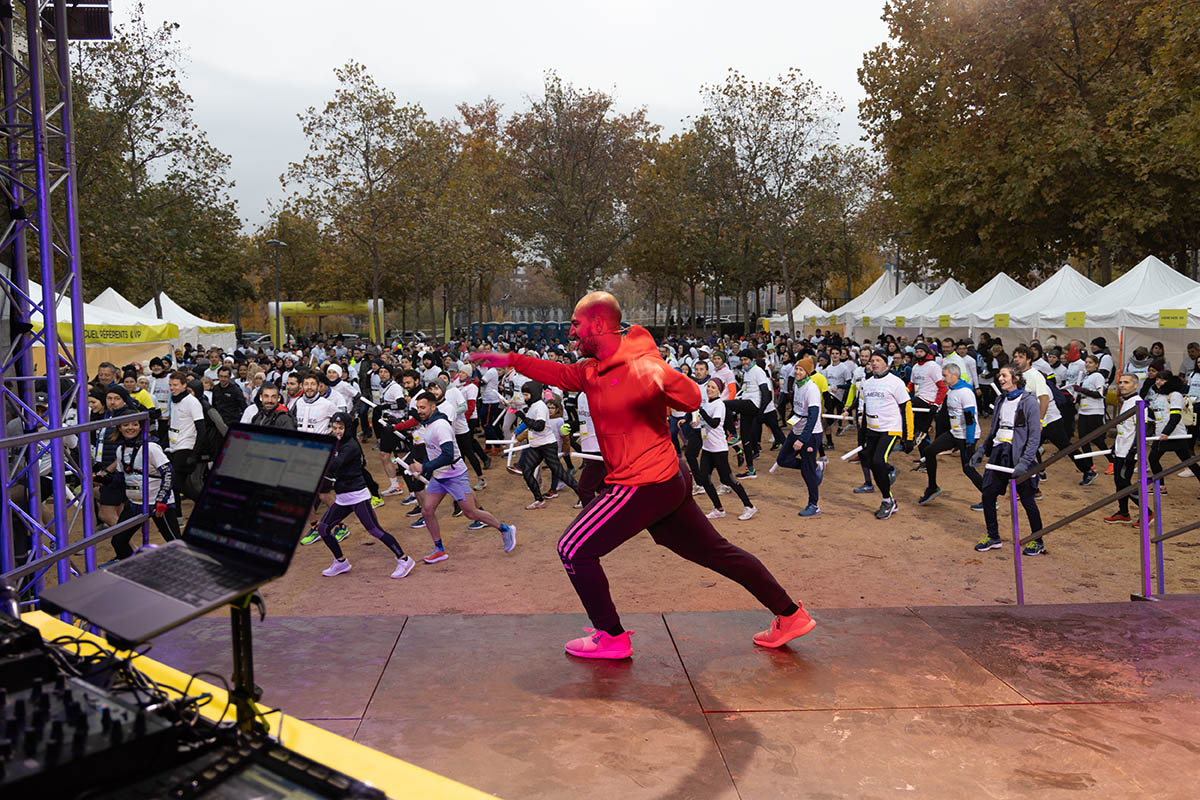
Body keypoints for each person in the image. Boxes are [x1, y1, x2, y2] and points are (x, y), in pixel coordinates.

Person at [471, 291, 812, 660]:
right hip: (666, 479)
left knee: (573, 549)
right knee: (716, 552)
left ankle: (611, 637)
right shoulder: (591, 369)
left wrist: (657, 369)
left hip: (644, 483)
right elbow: (562, 375)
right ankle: (791, 615)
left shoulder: (643, 364)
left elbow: (692, 399)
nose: (570, 331)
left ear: (598, 324)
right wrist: (513, 360)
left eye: (575, 324)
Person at [405, 393, 516, 564]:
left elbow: (448, 455)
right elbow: (433, 451)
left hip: (455, 475)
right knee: (427, 510)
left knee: (471, 513)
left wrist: (424, 467)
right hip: (439, 476)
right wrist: (423, 469)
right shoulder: (427, 424)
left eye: (423, 407)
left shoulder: (440, 426)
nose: (419, 411)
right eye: (418, 407)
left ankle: (505, 529)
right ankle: (439, 549)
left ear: (433, 407)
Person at [316, 413, 417, 579]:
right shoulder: (336, 442)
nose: (337, 431)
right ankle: (341, 562)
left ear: (348, 428)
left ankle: (404, 559)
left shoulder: (350, 446)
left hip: (357, 496)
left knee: (374, 530)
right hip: (343, 497)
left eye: (340, 428)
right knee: (323, 528)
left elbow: (334, 465)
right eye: (334, 428)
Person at [970, 366, 1045, 555]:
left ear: (1016, 378)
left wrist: (1025, 462)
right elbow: (995, 428)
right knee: (987, 495)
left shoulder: (1029, 402)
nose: (1000, 378)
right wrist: (983, 449)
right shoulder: (1001, 399)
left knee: (1027, 500)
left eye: (1004, 375)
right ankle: (993, 536)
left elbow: (1034, 436)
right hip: (998, 453)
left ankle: (1038, 540)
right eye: (1000, 375)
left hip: (1018, 456)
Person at [96, 414, 181, 560]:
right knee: (118, 541)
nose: (130, 428)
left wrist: (162, 500)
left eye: (134, 424)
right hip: (135, 504)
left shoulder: (151, 447)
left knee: (175, 544)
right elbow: (121, 478)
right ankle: (133, 570)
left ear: (141, 427)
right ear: (119, 428)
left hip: (158, 504)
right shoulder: (120, 450)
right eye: (126, 425)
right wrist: (104, 480)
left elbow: (168, 473)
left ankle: (189, 575)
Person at [858, 350, 914, 519]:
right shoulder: (867, 383)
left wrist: (908, 437)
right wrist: (863, 436)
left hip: (890, 429)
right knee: (870, 461)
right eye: (872, 360)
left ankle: (887, 501)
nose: (874, 363)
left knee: (878, 461)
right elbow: (866, 409)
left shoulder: (896, 383)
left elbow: (907, 409)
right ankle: (889, 475)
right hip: (872, 430)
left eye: (878, 360)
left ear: (886, 363)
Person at [917, 363, 982, 505]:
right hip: (955, 433)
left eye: (945, 375)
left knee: (968, 469)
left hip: (967, 436)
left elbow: (970, 419)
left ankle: (989, 498)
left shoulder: (965, 392)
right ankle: (932, 487)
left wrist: (970, 442)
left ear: (955, 375)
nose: (943, 379)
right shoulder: (951, 391)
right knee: (929, 451)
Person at [694, 378, 757, 520]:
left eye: (713, 388)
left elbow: (715, 423)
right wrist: (693, 423)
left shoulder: (719, 405)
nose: (710, 389)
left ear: (719, 391)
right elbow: (704, 424)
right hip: (707, 447)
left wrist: (701, 412)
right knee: (704, 478)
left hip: (719, 449)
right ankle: (719, 509)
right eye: (708, 387)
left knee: (727, 478)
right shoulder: (707, 404)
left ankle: (749, 506)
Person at [515, 380, 579, 509]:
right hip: (536, 445)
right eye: (524, 395)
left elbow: (539, 426)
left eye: (527, 395)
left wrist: (523, 417)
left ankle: (583, 496)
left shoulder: (539, 406)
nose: (525, 398)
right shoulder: (533, 405)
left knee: (559, 472)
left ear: (534, 394)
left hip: (547, 444)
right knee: (527, 472)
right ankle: (539, 499)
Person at [776, 356, 822, 517]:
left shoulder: (812, 389)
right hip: (797, 429)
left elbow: (813, 416)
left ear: (808, 372)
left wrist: (802, 439)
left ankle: (814, 504)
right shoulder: (797, 385)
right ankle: (814, 466)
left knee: (807, 472)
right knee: (782, 459)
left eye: (801, 369)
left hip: (811, 434)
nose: (797, 371)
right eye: (796, 368)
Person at [1104, 374, 1149, 525]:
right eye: (1121, 382)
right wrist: (1114, 447)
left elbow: (1142, 429)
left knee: (1123, 482)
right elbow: (1125, 428)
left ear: (1136, 385)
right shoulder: (1127, 402)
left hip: (1129, 451)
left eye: (1126, 382)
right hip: (1120, 449)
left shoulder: (1138, 402)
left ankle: (1147, 513)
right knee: (1119, 482)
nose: (1122, 385)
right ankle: (1123, 513)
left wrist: (1133, 450)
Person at [1147, 371, 1199, 495]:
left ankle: (1160, 486)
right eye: (1157, 379)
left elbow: (1175, 417)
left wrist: (1166, 432)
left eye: (1163, 380)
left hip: (1175, 435)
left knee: (1187, 462)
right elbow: (1153, 414)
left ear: (1170, 381)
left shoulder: (1175, 395)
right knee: (1153, 459)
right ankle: (1161, 487)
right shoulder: (1157, 395)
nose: (1159, 382)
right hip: (1161, 434)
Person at [166, 371, 206, 506]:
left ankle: (203, 502)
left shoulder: (192, 402)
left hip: (186, 447)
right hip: (173, 447)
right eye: (170, 385)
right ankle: (178, 516)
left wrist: (195, 454)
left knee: (175, 482)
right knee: (175, 484)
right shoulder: (173, 400)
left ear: (184, 385)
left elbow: (202, 430)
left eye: (175, 385)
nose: (172, 388)